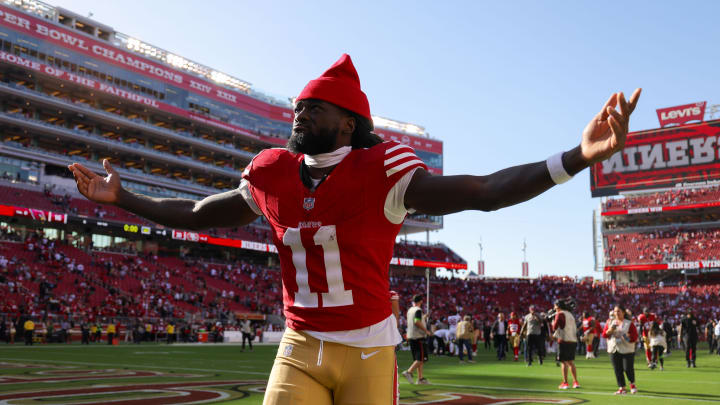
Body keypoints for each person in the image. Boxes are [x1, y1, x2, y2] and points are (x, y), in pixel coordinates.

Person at [67, 53, 640, 405]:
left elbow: (485, 192)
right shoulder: (271, 172)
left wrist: (577, 156)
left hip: (368, 353)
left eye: (315, 107)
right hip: (299, 345)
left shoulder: (382, 171)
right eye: (298, 105)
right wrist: (125, 198)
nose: (300, 113)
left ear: (349, 123)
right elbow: (197, 215)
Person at [602, 305, 639, 395]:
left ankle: (632, 384)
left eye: (618, 311)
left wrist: (624, 336)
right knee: (617, 369)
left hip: (627, 349)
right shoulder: (610, 322)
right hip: (613, 348)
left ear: (623, 312)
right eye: (615, 311)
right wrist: (610, 330)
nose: (616, 313)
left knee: (627, 368)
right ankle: (621, 387)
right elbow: (604, 335)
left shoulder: (629, 323)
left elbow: (634, 337)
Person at [402, 295, 431, 385]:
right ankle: (409, 372)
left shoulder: (410, 310)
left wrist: (424, 317)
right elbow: (417, 321)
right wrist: (426, 331)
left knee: (419, 359)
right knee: (421, 359)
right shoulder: (418, 310)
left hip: (411, 336)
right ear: (421, 301)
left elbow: (416, 319)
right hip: (418, 336)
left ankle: (420, 378)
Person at [551, 300, 580, 390]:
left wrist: (552, 322)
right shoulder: (570, 314)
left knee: (563, 362)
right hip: (573, 340)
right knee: (571, 362)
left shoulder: (559, 314)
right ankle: (575, 382)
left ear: (558, 306)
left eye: (555, 306)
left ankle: (565, 382)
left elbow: (554, 327)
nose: (554, 308)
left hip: (564, 340)